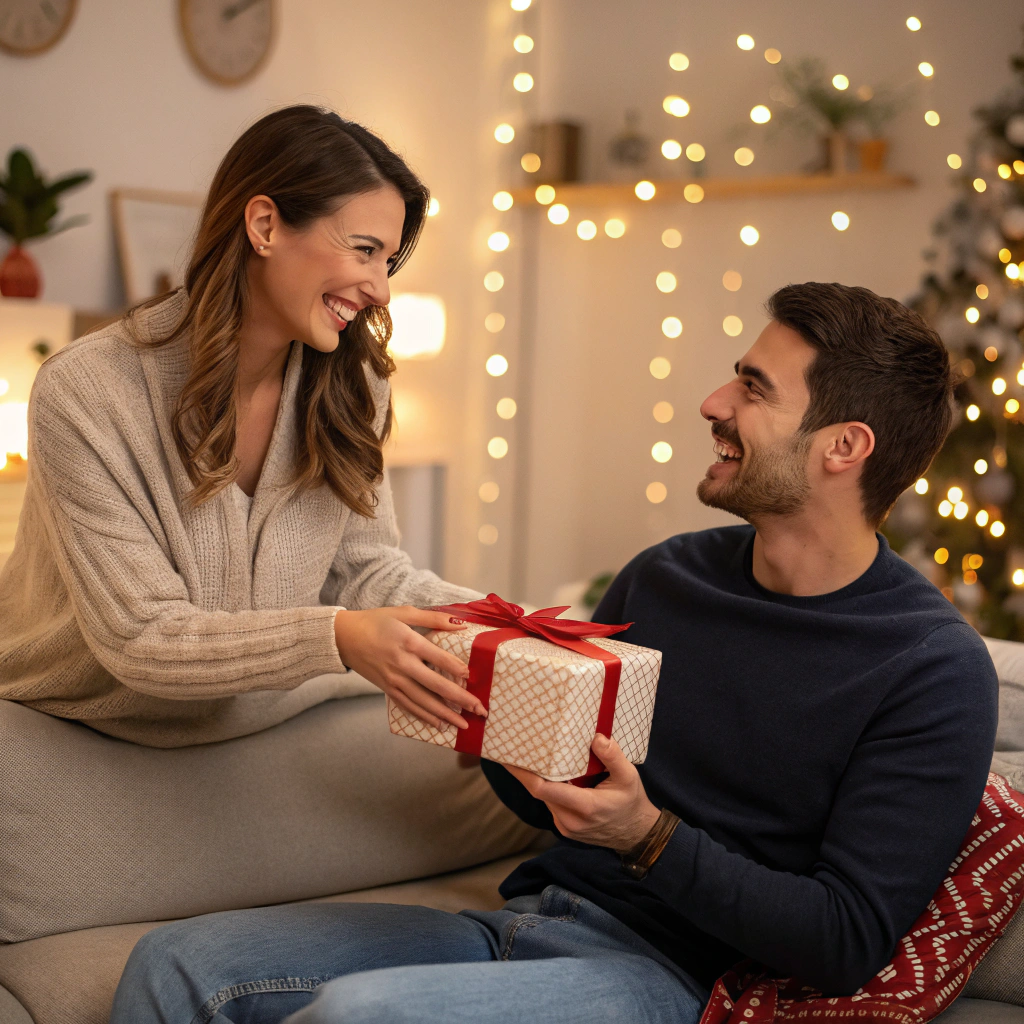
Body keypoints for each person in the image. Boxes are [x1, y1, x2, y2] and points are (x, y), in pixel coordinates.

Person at [108, 282, 998, 1023]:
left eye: (754, 388)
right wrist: (484, 714)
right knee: (175, 963)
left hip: (670, 980)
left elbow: (842, 940)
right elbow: (550, 793)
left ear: (844, 448)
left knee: (359, 1017)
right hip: (532, 915)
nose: (714, 404)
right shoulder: (669, 576)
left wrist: (647, 838)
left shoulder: (929, 669)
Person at [0, 105, 485, 748]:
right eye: (364, 250)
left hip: (257, 712)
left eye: (386, 260)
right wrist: (337, 637)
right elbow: (141, 636)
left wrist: (501, 626)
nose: (381, 290)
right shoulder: (86, 391)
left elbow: (367, 573)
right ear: (263, 225)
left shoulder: (353, 383)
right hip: (89, 718)